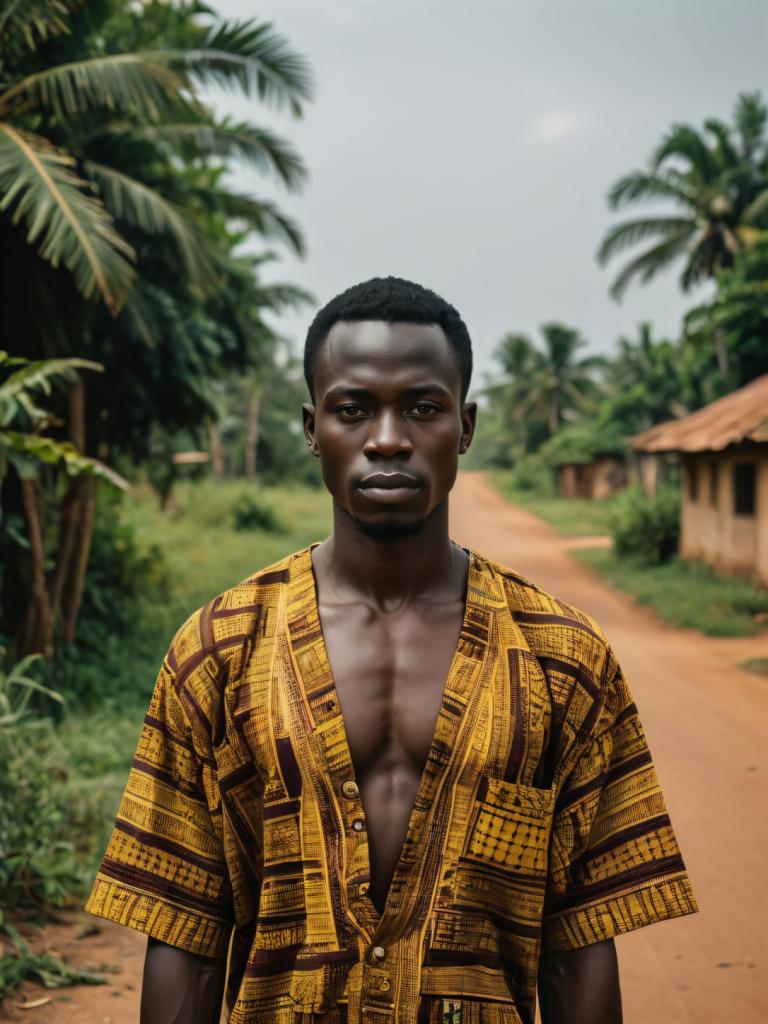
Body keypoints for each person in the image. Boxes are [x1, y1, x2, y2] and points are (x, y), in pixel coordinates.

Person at [85, 277, 698, 1024]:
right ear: (313, 428)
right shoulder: (219, 650)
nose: (386, 438)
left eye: (422, 407)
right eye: (353, 409)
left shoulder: (562, 657)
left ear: (464, 425)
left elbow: (580, 938)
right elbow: (185, 929)